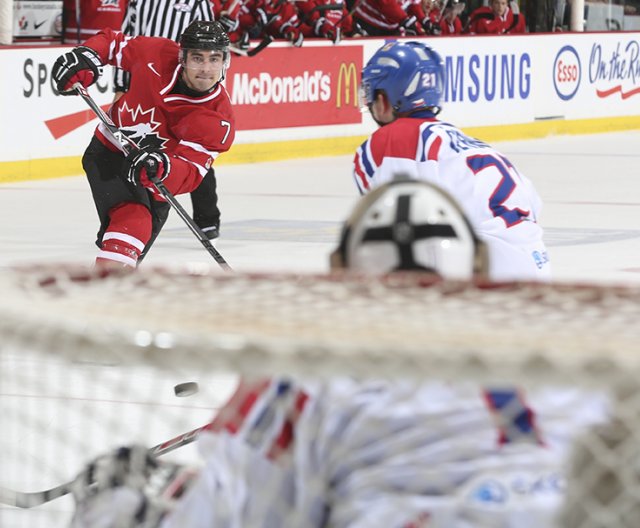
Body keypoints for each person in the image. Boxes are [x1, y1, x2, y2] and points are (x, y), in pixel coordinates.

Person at [66, 180, 610, 527]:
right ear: (477, 273)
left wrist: (132, 509)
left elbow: (229, 514)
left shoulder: (303, 380)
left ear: (342, 272)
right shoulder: (560, 365)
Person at [353, 40, 548, 282]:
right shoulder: (469, 144)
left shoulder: (388, 141)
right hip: (538, 267)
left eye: (371, 94)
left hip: (484, 279)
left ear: (384, 100)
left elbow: (394, 233)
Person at [51, 21, 235, 268]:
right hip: (110, 153)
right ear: (182, 57)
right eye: (197, 58)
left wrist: (163, 166)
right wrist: (87, 55)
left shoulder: (217, 119)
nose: (205, 69)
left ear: (225, 62)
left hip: (154, 180)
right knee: (133, 224)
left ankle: (106, 292)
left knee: (130, 248)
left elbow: (191, 172)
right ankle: (103, 295)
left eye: (214, 59)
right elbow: (112, 42)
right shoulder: (157, 54)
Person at [118, 0, 223, 241]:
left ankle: (207, 218)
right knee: (143, 148)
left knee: (192, 151)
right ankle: (135, 218)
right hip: (148, 82)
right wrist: (121, 85)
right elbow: (128, 35)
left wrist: (203, 84)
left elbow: (211, 39)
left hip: (185, 85)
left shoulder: (197, 2)